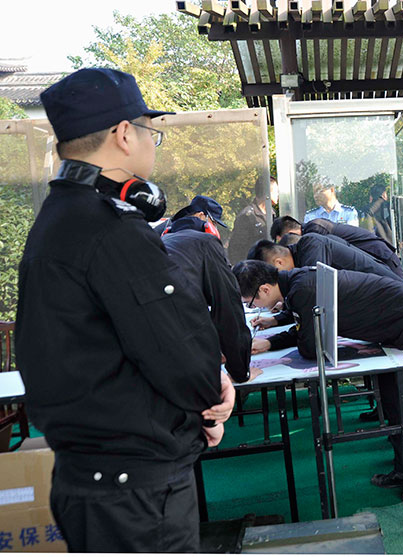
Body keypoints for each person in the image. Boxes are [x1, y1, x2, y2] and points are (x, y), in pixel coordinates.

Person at [15, 68, 234, 553]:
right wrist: (211, 396)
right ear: (123, 134)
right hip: (135, 491)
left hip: (91, 478)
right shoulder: (111, 229)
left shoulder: (57, 220)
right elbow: (172, 342)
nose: (153, 143)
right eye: (150, 132)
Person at [232, 261, 403, 502]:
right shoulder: (296, 284)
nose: (254, 308)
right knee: (394, 399)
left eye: (251, 303)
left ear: (265, 289)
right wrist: (275, 341)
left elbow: (311, 345)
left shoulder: (302, 289)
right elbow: (308, 332)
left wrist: (280, 340)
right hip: (394, 327)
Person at [162, 196, 262, 384]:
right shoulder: (204, 241)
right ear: (202, 216)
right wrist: (241, 372)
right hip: (184, 354)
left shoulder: (161, 238)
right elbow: (228, 309)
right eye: (214, 222)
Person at [271, 215, 403, 279]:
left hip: (380, 257)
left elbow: (315, 274)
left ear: (290, 233)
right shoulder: (312, 228)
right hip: (373, 260)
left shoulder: (313, 233)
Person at [228, 173, 274, 264]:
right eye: (276, 191)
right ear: (267, 193)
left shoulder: (272, 214)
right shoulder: (247, 216)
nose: (278, 195)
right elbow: (236, 249)